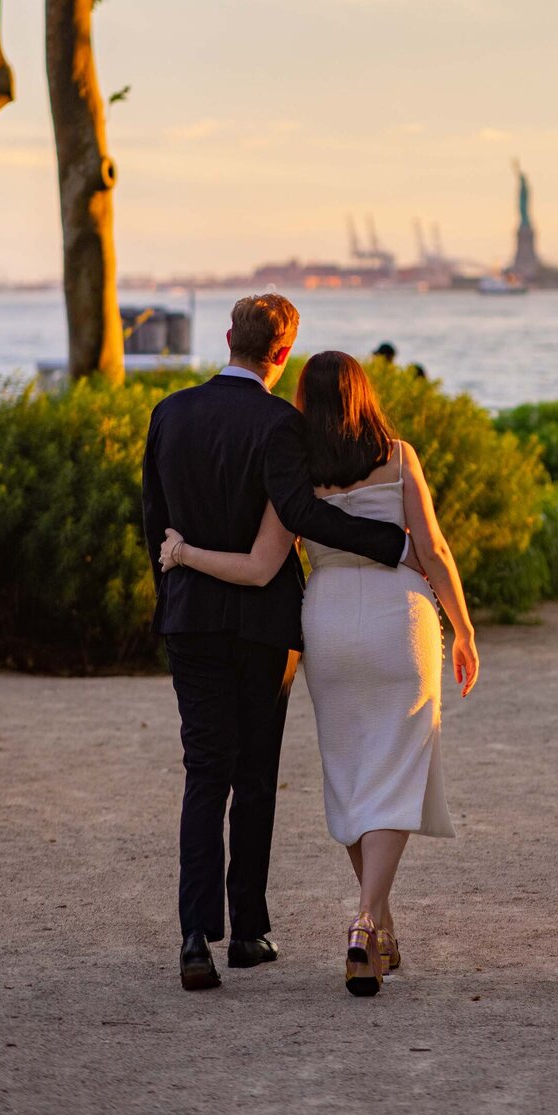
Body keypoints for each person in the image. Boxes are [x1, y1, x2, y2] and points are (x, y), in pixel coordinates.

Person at [158, 350, 479, 998]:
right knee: (397, 769)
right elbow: (435, 548)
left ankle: (379, 926)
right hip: (399, 619)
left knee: (354, 773)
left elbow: (258, 565)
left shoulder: (298, 471)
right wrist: (464, 627)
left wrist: (184, 551)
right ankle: (365, 921)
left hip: (328, 623)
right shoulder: (396, 454)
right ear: (363, 394)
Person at [142, 294, 408, 994]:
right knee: (254, 774)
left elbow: (153, 520)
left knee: (205, 772)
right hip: (264, 626)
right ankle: (250, 931)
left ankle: (195, 937)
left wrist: (170, 590)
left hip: (190, 616)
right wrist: (388, 542)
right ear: (281, 352)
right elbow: (299, 513)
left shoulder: (168, 413)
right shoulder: (280, 424)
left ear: (228, 336)